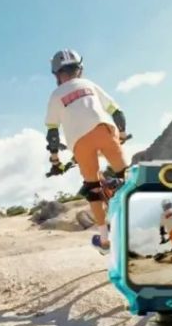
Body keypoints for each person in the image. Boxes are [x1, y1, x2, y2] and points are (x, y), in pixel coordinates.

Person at [44, 49, 129, 254]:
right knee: (126, 175)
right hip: (105, 130)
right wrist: (122, 134)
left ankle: (105, 241)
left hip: (79, 143)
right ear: (80, 70)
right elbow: (117, 112)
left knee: (93, 189)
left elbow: (52, 133)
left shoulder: (55, 95)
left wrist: (55, 161)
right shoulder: (89, 84)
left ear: (56, 75)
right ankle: (141, 215)